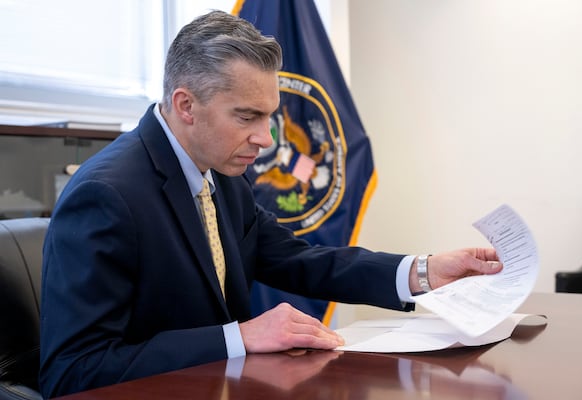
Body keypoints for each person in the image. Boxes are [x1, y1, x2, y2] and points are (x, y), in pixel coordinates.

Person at [39, 10, 502, 398]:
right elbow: (73, 371)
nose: (265, 139)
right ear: (185, 105)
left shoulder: (222, 170)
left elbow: (299, 259)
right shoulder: (105, 195)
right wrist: (238, 337)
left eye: (269, 117)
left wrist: (423, 272)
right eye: (247, 117)